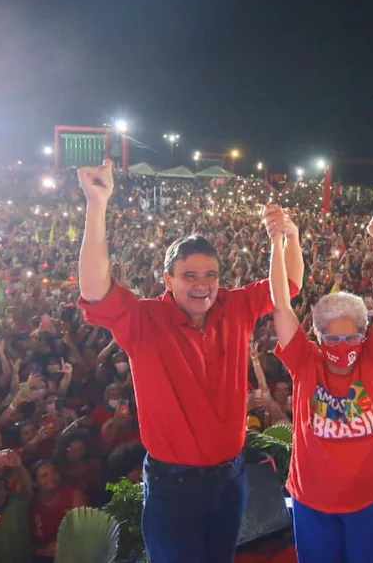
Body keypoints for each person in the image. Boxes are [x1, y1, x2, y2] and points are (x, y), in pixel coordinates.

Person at [74, 160, 304, 563]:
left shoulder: (235, 306)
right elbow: (95, 290)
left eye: (211, 275)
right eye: (190, 276)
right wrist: (97, 204)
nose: (202, 285)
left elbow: (289, 285)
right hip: (173, 485)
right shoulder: (144, 320)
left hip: (231, 477)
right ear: (168, 279)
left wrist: (291, 237)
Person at [269, 207, 373, 562]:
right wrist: (276, 243)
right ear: (317, 335)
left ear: (364, 335)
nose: (342, 348)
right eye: (332, 339)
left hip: (371, 498)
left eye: (351, 338)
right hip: (313, 500)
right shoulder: (304, 361)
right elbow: (281, 306)